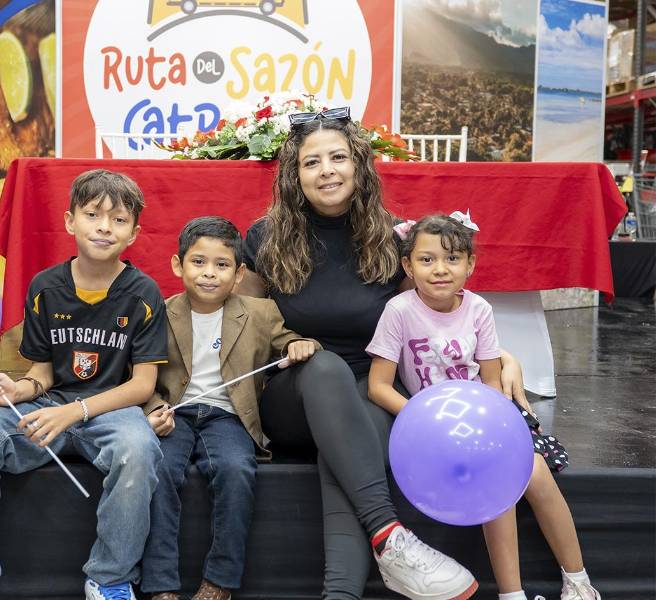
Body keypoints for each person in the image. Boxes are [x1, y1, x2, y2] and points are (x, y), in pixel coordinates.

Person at [235, 108, 534, 599]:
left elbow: (433, 312)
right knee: (325, 368)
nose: (326, 170)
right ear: (295, 175)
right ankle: (390, 533)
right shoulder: (265, 238)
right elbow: (244, 326)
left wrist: (500, 355)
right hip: (292, 390)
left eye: (338, 157)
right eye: (312, 162)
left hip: (368, 388)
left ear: (358, 165)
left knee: (352, 454)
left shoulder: (394, 237)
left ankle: (343, 593)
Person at [0, 169, 167, 600]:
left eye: (118, 220)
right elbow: (43, 372)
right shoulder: (45, 287)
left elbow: (142, 386)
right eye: (93, 214)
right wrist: (18, 390)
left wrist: (76, 412)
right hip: (50, 409)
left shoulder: (143, 293)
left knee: (139, 449)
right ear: (69, 221)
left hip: (110, 413)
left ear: (134, 233)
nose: (104, 227)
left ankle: (110, 578)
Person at [367, 214, 599, 600]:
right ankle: (512, 594)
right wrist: (423, 420)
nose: (440, 269)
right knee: (495, 483)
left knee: (535, 475)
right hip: (430, 426)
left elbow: (492, 381)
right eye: (426, 260)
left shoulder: (478, 310)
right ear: (407, 265)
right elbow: (378, 386)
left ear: (470, 264)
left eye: (453, 259)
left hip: (487, 416)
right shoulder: (399, 311)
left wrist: (493, 427)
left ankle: (579, 582)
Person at [140, 216, 320, 600]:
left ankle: (220, 580)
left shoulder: (260, 312)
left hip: (229, 416)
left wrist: (301, 346)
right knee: (160, 469)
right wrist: (153, 408)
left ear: (238, 274)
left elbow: (293, 342)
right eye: (198, 262)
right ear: (178, 265)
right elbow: (139, 374)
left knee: (236, 469)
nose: (209, 274)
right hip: (176, 413)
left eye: (221, 265)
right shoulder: (158, 311)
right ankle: (160, 584)